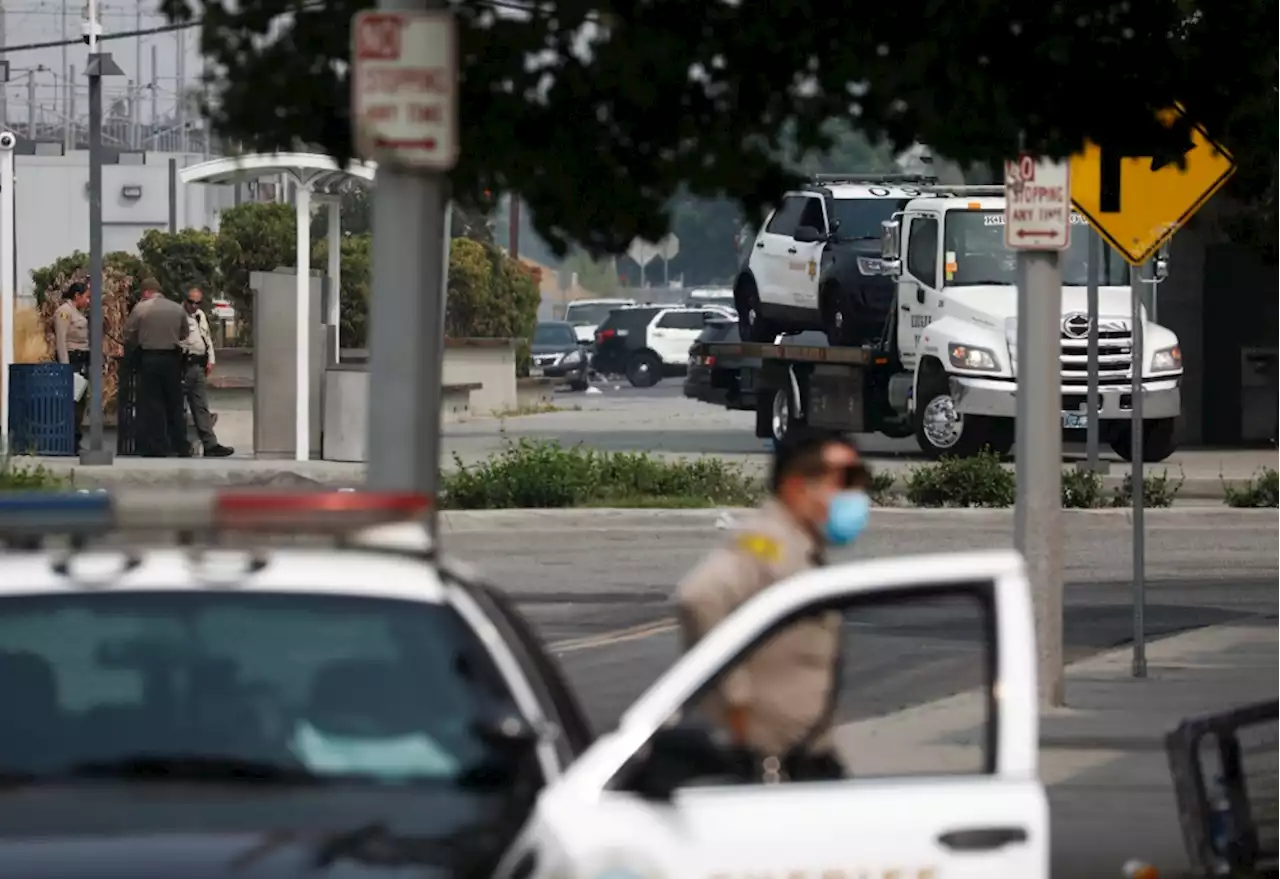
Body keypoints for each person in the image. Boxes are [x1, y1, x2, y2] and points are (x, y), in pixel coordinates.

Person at [675, 427, 872, 782]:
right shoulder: (767, 546)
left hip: (806, 758)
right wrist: (736, 709)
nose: (856, 496)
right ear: (798, 486)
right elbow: (698, 598)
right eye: (845, 481)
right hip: (769, 767)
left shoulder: (798, 546)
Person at [123, 278, 189, 457]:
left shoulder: (141, 308)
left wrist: (141, 339)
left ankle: (157, 447)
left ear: (146, 292)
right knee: (175, 403)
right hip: (172, 359)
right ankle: (180, 445)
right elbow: (185, 333)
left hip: (149, 359)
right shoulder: (177, 308)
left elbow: (128, 332)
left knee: (152, 403)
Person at [180, 288, 234, 458]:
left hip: (199, 366)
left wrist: (211, 359)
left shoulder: (200, 315)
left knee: (201, 407)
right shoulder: (178, 315)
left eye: (198, 302)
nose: (194, 306)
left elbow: (207, 338)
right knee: (177, 407)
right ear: (185, 300)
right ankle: (179, 444)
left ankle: (210, 445)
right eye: (191, 302)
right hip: (183, 365)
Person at [53, 282, 91, 450]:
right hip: (72, 362)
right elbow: (61, 340)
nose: (88, 301)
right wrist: (65, 367)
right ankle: (69, 440)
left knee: (80, 403)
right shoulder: (64, 312)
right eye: (86, 297)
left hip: (81, 361)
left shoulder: (77, 313)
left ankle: (75, 438)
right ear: (77, 296)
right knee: (72, 403)